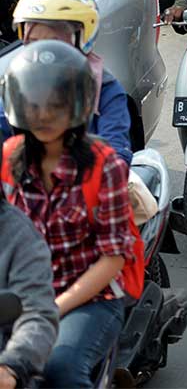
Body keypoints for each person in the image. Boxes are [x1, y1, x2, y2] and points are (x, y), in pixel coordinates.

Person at [0, 41, 137, 387]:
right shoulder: (8, 157)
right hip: (19, 296)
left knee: (59, 367)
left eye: (56, 105)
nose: (44, 115)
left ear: (76, 106)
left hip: (88, 301)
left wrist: (53, 307)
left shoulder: (103, 164)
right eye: (35, 105)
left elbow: (113, 259)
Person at [0, 0, 133, 165]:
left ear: (81, 37)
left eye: (54, 43)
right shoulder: (17, 84)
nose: (42, 54)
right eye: (34, 43)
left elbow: (116, 149)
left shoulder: (104, 88)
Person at [0, 186, 58, 389]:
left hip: (7, 358)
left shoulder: (17, 233)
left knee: (68, 367)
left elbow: (36, 313)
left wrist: (10, 366)